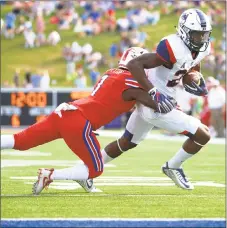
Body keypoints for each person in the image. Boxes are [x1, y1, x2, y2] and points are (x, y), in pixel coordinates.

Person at [1, 47, 175, 195]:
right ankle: (50, 175)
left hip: (64, 112)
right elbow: (158, 104)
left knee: (20, 141)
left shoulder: (110, 73)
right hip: (78, 121)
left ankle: (83, 179)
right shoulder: (131, 81)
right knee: (96, 168)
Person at [79, 8, 212, 192]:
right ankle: (173, 166)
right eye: (197, 35)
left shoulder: (201, 48)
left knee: (126, 142)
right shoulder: (172, 47)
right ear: (185, 31)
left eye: (204, 35)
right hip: (156, 104)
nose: (202, 40)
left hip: (162, 99)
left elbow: (192, 65)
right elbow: (135, 64)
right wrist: (153, 91)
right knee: (203, 134)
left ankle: (85, 172)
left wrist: (193, 77)